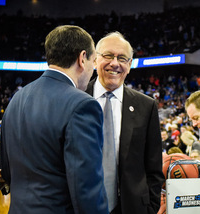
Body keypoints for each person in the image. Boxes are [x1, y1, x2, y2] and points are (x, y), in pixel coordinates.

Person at [0, 25, 108, 213]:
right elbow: (87, 191)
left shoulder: (16, 99)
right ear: (82, 58)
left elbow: (8, 172)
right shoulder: (83, 105)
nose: (93, 69)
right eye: (94, 61)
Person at [86, 32, 164, 214]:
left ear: (129, 65)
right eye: (108, 55)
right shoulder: (75, 97)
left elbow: (154, 167)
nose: (115, 63)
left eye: (122, 58)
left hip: (133, 208)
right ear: (95, 60)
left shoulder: (146, 106)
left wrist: (150, 208)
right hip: (83, 206)